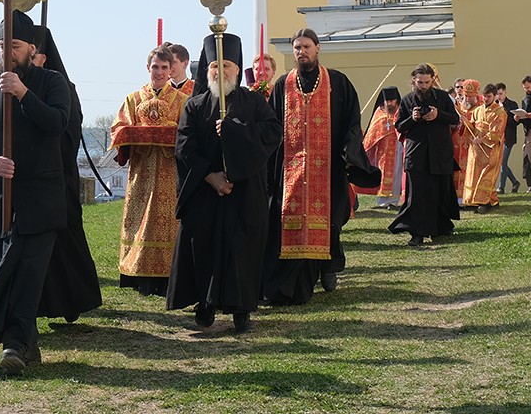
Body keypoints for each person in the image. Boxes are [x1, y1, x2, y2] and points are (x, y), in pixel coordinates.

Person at [0, 9, 71, 376]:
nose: (8, 52)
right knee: (1, 271)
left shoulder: (52, 83)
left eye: (16, 46)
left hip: (40, 198)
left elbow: (57, 123)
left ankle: (14, 347)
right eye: (3, 44)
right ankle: (25, 341)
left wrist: (23, 94)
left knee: (27, 275)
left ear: (31, 49)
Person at [166, 33, 281, 333]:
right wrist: (211, 176)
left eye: (226, 65)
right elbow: (184, 146)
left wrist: (236, 130)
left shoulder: (254, 102)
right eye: (215, 66)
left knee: (241, 249)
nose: (220, 71)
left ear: (237, 69)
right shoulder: (195, 105)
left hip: (245, 192)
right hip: (205, 192)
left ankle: (242, 310)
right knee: (203, 246)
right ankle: (204, 305)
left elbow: (272, 134)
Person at [263, 29, 379, 304]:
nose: (301, 51)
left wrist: (349, 153)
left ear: (317, 48)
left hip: (329, 167)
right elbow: (272, 125)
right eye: (297, 47)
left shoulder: (337, 82)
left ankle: (327, 266)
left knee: (330, 220)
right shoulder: (282, 85)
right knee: (286, 221)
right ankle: (293, 280)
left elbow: (351, 122)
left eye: (306, 46)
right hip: (289, 169)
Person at [32, 26, 102, 324]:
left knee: (65, 241)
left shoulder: (62, 88)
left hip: (58, 176)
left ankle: (73, 299)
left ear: (43, 58)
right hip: (28, 181)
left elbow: (68, 131)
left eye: (32, 56)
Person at [110, 46, 190, 296]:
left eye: (164, 67)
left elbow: (188, 134)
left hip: (169, 173)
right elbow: (118, 128)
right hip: (141, 172)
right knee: (139, 220)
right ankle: (138, 276)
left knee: (168, 222)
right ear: (148, 68)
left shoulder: (182, 100)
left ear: (171, 70)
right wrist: (130, 134)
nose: (159, 72)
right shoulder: (133, 99)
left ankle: (168, 278)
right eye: (155, 67)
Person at [389, 63, 461, 246]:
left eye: (427, 82)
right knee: (417, 196)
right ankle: (417, 233)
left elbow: (455, 119)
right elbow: (399, 126)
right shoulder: (407, 100)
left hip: (440, 152)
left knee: (439, 192)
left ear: (432, 81)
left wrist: (438, 114)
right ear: (414, 81)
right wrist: (412, 119)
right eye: (420, 82)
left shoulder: (443, 97)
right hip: (417, 154)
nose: (423, 86)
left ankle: (439, 228)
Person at [462, 81, 506, 213]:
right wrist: (465, 122)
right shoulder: (478, 110)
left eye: (489, 96)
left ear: (495, 96)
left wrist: (481, 139)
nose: (486, 99)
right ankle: (475, 200)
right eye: (485, 96)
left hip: (490, 149)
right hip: (476, 149)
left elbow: (496, 132)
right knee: (474, 174)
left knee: (486, 175)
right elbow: (471, 127)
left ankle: (484, 201)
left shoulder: (500, 112)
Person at [356, 87, 402, 209]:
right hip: (383, 150)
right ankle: (383, 201)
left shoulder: (401, 110)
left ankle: (394, 201)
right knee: (383, 173)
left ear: (396, 100)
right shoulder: (380, 112)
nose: (389, 103)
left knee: (397, 173)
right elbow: (373, 130)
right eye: (387, 101)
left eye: (392, 101)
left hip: (398, 147)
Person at [495, 83, 522, 195]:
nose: (499, 96)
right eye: (497, 94)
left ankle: (501, 187)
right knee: (502, 162)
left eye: (501, 94)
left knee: (502, 161)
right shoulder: (494, 105)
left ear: (505, 92)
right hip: (497, 137)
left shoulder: (512, 104)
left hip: (508, 137)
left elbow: (514, 123)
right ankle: (515, 182)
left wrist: (515, 119)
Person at [450, 77, 472, 205]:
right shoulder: (452, 103)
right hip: (454, 139)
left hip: (466, 140)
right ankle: (454, 196)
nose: (459, 89)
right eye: (457, 87)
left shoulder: (469, 103)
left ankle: (465, 195)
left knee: (466, 167)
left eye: (462, 87)